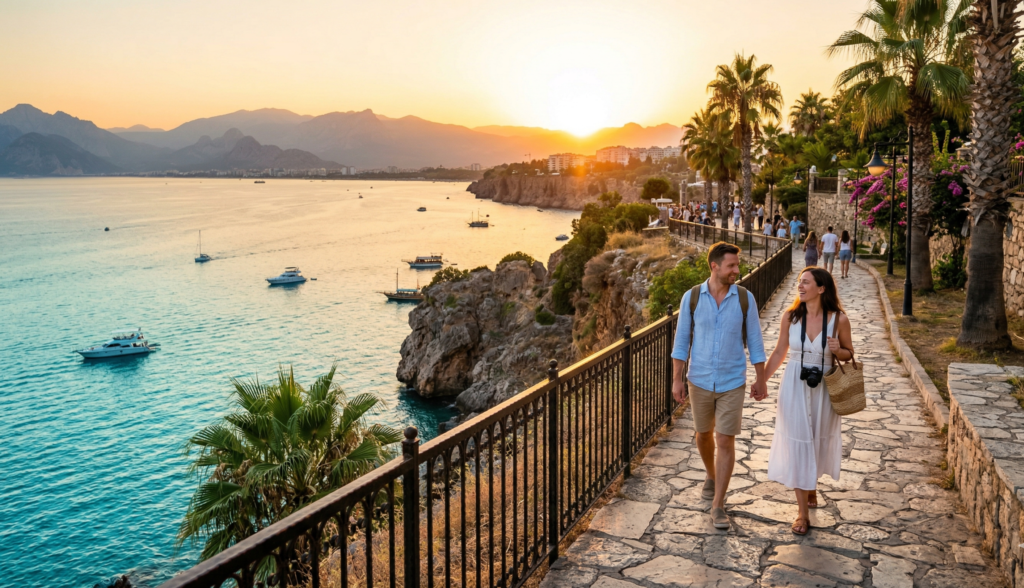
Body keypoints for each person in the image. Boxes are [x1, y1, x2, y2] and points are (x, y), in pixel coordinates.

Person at [672, 242, 768, 530]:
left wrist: (760, 378)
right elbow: (681, 342)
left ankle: (719, 505)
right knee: (703, 435)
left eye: (737, 265)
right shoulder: (691, 298)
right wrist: (677, 378)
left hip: (732, 381)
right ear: (714, 266)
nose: (737, 270)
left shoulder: (744, 299)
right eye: (731, 266)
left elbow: (755, 340)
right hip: (699, 379)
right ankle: (711, 475)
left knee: (725, 440)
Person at [763, 268, 853, 535]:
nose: (800, 286)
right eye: (799, 282)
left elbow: (849, 354)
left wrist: (840, 350)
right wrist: (762, 380)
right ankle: (802, 514)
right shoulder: (790, 317)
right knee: (798, 440)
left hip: (825, 386)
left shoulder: (839, 320)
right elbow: (780, 351)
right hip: (794, 384)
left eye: (806, 282)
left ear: (821, 288)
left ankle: (811, 484)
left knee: (816, 437)